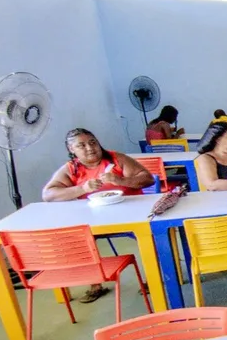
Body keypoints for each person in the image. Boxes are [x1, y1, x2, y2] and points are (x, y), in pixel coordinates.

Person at [43, 128, 155, 303]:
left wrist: (121, 181)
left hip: (129, 213)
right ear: (72, 149)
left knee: (149, 236)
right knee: (78, 239)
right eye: (81, 145)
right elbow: (48, 195)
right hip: (92, 218)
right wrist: (82, 189)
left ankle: (153, 279)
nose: (90, 148)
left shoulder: (116, 159)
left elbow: (147, 178)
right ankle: (95, 284)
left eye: (92, 142)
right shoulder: (71, 169)